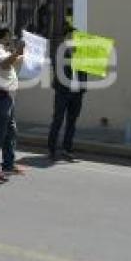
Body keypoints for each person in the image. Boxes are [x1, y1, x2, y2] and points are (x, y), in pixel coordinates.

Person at [0, 24, 26, 181]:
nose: (11, 38)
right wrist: (17, 52)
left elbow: (8, 62)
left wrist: (20, 56)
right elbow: (3, 63)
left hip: (6, 98)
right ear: (2, 36)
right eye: (9, 35)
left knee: (10, 132)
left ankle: (8, 164)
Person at [48, 25, 88, 162]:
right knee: (58, 120)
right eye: (73, 36)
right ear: (66, 37)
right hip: (63, 92)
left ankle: (67, 149)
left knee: (72, 122)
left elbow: (85, 69)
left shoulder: (81, 51)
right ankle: (52, 149)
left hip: (77, 93)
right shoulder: (60, 50)